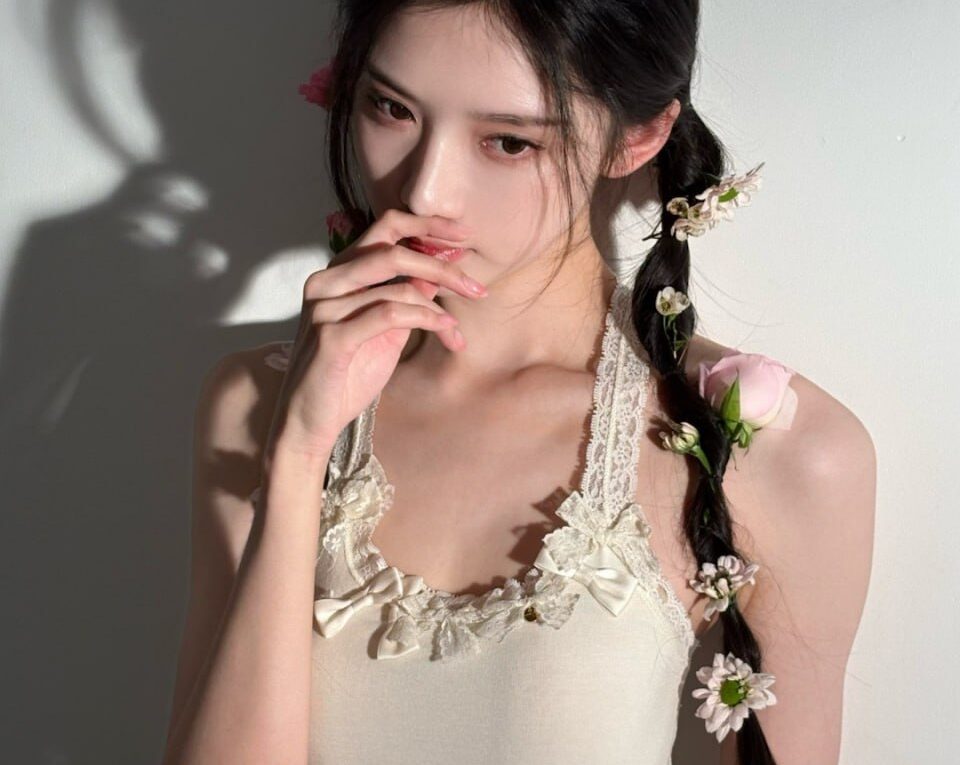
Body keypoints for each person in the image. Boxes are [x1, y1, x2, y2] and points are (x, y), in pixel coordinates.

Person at [161, 2, 876, 764]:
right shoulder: (255, 405)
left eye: (508, 141)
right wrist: (300, 453)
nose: (426, 192)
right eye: (391, 107)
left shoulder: (768, 447)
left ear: (638, 137)